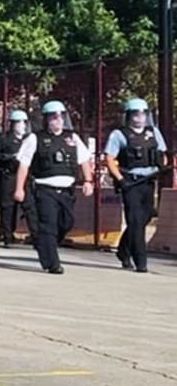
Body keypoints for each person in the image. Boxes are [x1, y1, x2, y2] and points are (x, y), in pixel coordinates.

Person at [14, 100, 94, 274]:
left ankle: (45, 245)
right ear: (46, 119)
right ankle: (52, 263)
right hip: (45, 189)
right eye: (53, 117)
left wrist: (88, 181)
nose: (58, 120)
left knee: (66, 223)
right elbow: (24, 165)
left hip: (67, 191)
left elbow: (84, 160)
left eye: (60, 117)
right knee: (48, 226)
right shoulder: (35, 138)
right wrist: (19, 188)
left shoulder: (72, 138)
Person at [105, 98, 168, 273]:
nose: (139, 118)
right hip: (131, 182)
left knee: (145, 218)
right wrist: (120, 179)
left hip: (148, 181)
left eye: (142, 114)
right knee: (135, 220)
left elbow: (162, 153)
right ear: (129, 116)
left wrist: (161, 165)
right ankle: (140, 261)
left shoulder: (153, 132)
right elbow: (109, 159)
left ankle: (123, 250)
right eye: (135, 114)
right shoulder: (119, 134)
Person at [0, 110, 32, 247]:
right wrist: (10, 157)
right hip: (9, 175)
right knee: (8, 207)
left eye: (24, 123)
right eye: (19, 123)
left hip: (26, 176)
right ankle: (7, 235)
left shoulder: (29, 139)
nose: (22, 125)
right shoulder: (4, 139)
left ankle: (35, 235)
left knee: (29, 206)